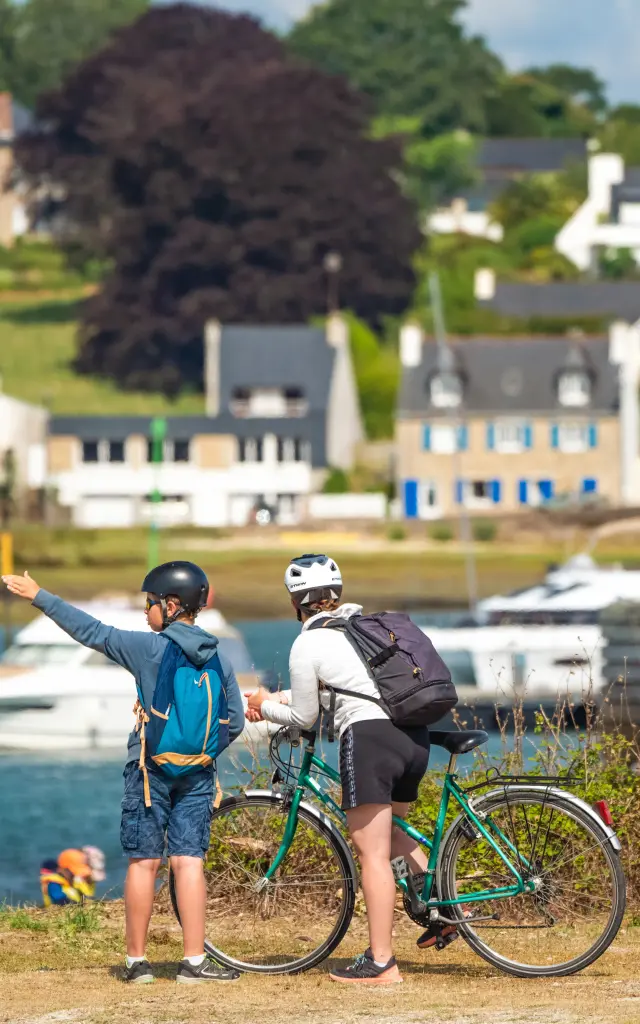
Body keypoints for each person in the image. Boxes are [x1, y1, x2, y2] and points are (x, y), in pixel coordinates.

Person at [3, 561, 244, 985]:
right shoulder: (217, 655)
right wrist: (202, 752)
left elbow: (90, 631)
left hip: (149, 771)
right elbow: (235, 721)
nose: (145, 611)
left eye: (149, 602)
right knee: (189, 862)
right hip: (198, 774)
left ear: (171, 606)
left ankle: (137, 963)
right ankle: (194, 962)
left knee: (144, 863)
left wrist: (40, 596)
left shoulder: (147, 648)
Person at [245, 553, 439, 985]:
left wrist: (263, 707)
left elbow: (304, 718)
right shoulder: (365, 629)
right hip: (413, 735)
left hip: (371, 740)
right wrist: (276, 700)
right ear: (337, 595)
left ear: (296, 603)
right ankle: (442, 910)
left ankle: (382, 962)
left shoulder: (308, 643)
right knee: (391, 835)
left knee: (371, 854)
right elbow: (344, 686)